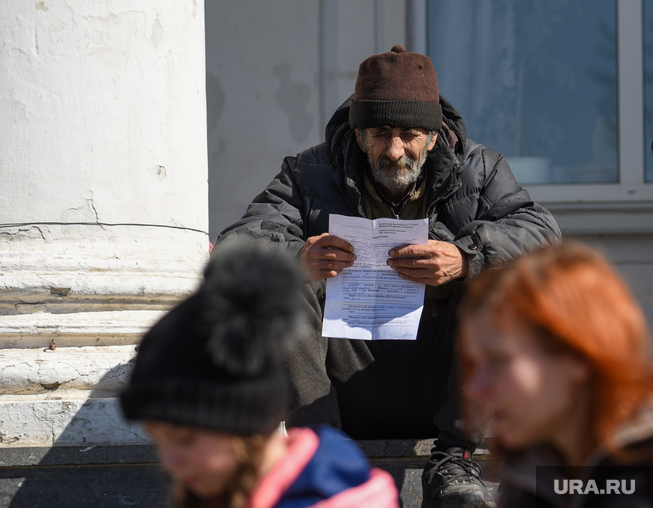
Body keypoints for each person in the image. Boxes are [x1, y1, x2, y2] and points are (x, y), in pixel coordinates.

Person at [215, 45, 560, 507]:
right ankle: (323, 461)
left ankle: (455, 460)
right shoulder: (308, 174)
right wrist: (297, 256)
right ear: (358, 135)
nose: (395, 150)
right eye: (380, 133)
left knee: (500, 282)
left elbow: (543, 235)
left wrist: (464, 257)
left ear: (434, 136)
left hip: (445, 374)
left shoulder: (481, 170)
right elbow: (233, 248)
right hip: (339, 375)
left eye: (410, 134)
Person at [120, 241, 400, 508]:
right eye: (159, 442)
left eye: (185, 440)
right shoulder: (215, 493)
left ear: (241, 424)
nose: (170, 462)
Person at [459, 243, 653, 507]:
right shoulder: (531, 474)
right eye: (474, 364)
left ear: (579, 355)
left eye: (497, 360)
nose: (474, 387)